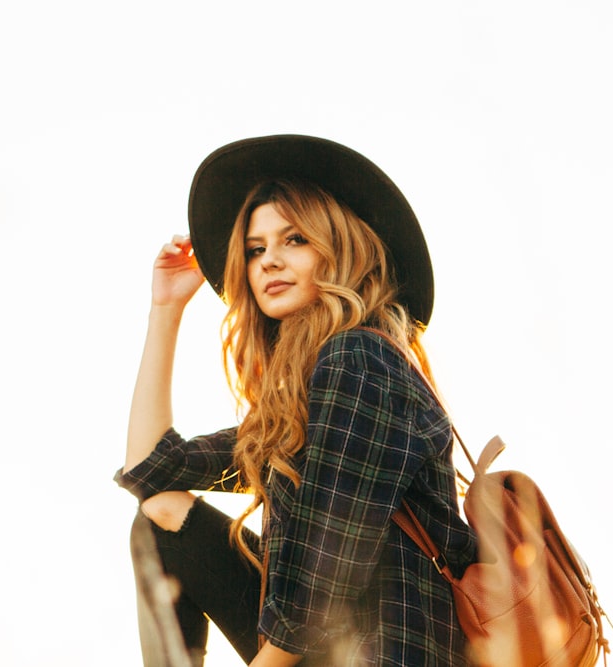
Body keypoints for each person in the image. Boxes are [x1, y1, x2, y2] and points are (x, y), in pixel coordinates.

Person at [115, 135, 478, 666]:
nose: (268, 262)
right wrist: (165, 310)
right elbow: (153, 470)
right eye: (256, 249)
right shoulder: (303, 400)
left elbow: (321, 579)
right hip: (326, 648)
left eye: (295, 241)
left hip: (389, 653)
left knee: (292, 586)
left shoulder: (360, 359)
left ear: (340, 248)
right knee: (161, 517)